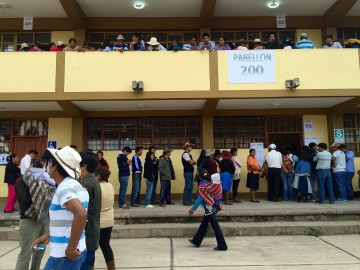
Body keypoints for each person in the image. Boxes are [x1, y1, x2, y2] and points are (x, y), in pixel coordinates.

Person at [32, 146, 89, 269]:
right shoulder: (75, 185)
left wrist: (71, 247)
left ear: (55, 167)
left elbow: (81, 214)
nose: (47, 165)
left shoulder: (64, 187)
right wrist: (49, 235)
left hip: (63, 256)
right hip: (77, 249)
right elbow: (68, 218)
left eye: (50, 162)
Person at [15, 158, 54, 270]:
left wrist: (42, 186)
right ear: (30, 165)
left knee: (40, 252)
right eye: (36, 166)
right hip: (29, 221)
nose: (39, 170)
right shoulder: (22, 181)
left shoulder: (46, 180)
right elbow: (26, 199)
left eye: (41, 166)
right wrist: (41, 189)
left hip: (44, 219)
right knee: (26, 253)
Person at [188, 170, 227, 251]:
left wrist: (193, 209)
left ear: (200, 177)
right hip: (215, 206)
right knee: (204, 224)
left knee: (216, 227)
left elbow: (200, 198)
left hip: (210, 209)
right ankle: (196, 241)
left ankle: (222, 246)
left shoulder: (203, 185)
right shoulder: (214, 183)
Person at [79, 151, 102, 270]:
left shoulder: (86, 184)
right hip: (92, 232)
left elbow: (84, 212)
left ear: (84, 166)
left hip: (87, 234)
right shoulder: (92, 181)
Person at [94, 167, 116, 270]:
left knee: (91, 248)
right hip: (108, 221)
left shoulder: (97, 187)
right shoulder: (110, 185)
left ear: (98, 176)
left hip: (97, 222)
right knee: (106, 246)